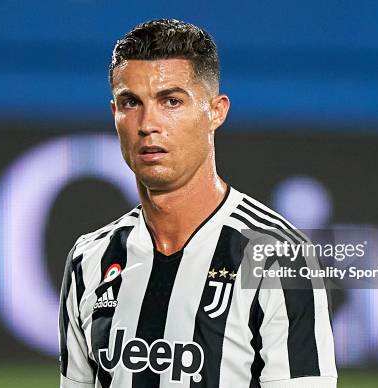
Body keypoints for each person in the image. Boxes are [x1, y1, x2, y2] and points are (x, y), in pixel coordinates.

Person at [58, 19, 337, 388]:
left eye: (171, 101)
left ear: (216, 111)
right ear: (114, 114)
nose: (147, 124)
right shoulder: (89, 259)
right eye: (131, 103)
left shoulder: (277, 258)